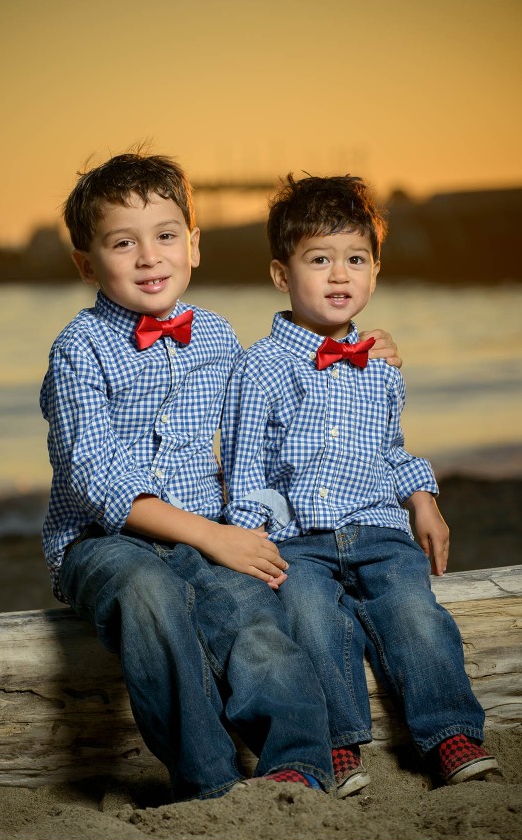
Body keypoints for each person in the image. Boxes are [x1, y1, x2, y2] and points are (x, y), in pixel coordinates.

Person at [41, 152, 388, 801]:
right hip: (103, 540)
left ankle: (296, 763)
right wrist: (211, 536)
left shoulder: (218, 337)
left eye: (166, 236)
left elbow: (281, 399)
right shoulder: (78, 350)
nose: (149, 257)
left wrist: (365, 347)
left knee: (253, 613)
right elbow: (97, 479)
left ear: (193, 246)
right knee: (148, 595)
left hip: (208, 529)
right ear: (87, 263)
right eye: (124, 243)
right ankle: (208, 781)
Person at [221, 173, 499, 798]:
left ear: (375, 272)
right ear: (280, 275)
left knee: (414, 612)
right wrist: (250, 542)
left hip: (379, 527)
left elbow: (391, 450)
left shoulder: (380, 364)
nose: (339, 275)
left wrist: (423, 501)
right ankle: (338, 743)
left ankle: (450, 732)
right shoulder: (258, 367)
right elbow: (246, 472)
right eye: (319, 260)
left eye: (356, 259)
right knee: (311, 617)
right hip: (299, 540)